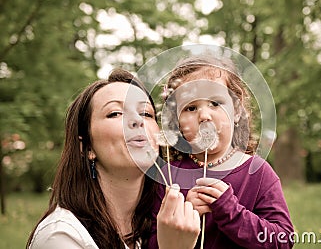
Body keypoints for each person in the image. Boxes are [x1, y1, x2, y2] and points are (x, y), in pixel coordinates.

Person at [26, 68, 200, 249]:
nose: (137, 120)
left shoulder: (161, 225)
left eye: (146, 113)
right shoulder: (61, 237)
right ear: (87, 147)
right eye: (115, 113)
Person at [150, 56, 294, 248]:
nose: (204, 116)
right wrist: (184, 215)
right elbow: (150, 242)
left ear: (236, 110)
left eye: (215, 103)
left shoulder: (258, 173)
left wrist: (230, 211)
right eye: (191, 107)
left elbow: (283, 240)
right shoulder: (169, 177)